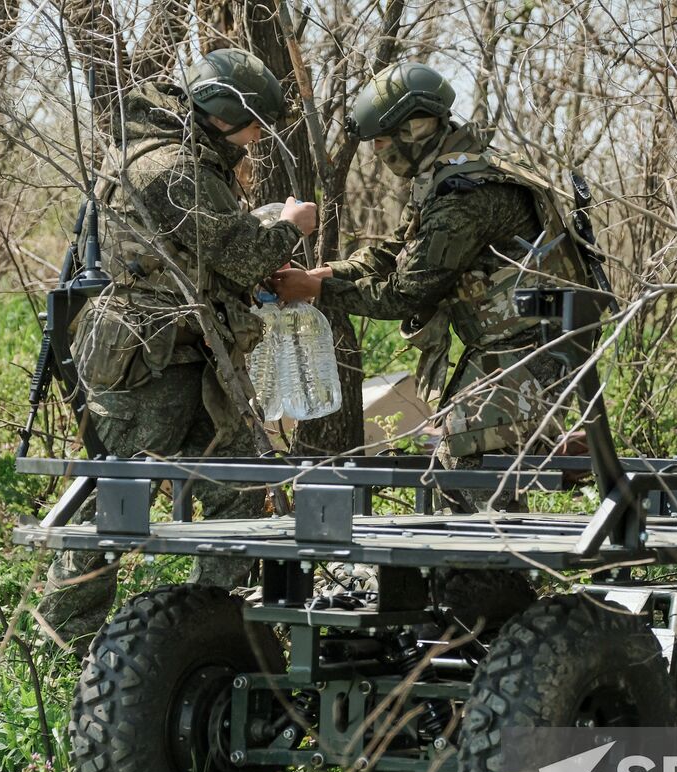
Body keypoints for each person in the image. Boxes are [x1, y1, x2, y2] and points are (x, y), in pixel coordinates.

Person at [39, 48, 317, 649]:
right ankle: (63, 644)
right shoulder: (170, 167)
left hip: (198, 358)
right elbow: (239, 253)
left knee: (238, 490)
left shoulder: (181, 156)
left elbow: (207, 254)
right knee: (114, 502)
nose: (257, 137)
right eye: (252, 124)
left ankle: (214, 630)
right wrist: (290, 226)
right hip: (151, 360)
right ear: (221, 114)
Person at [271, 62, 592, 508]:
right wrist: (327, 274)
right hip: (518, 337)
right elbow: (396, 251)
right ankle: (555, 452)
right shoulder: (447, 174)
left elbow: (406, 293)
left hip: (536, 341)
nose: (377, 151)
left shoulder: (464, 196)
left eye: (382, 140)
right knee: (464, 464)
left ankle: (501, 545)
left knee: (467, 469)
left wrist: (315, 290)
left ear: (414, 129)